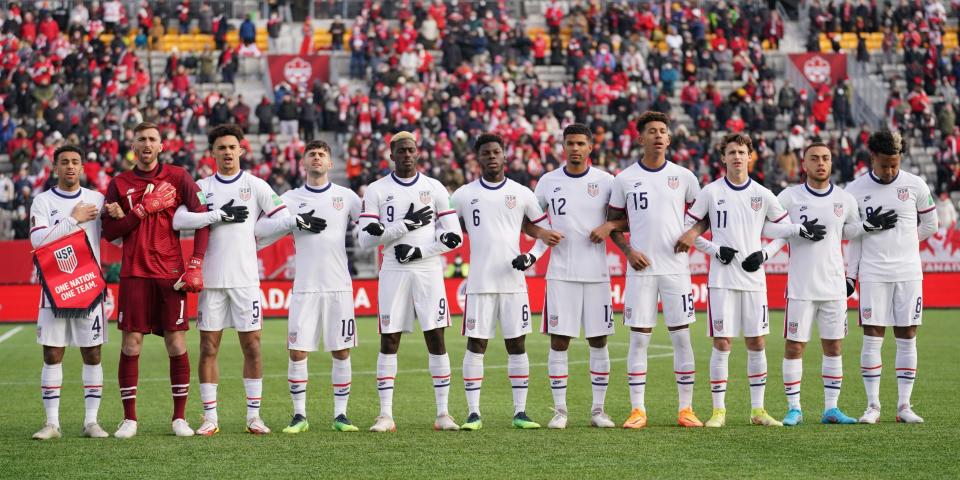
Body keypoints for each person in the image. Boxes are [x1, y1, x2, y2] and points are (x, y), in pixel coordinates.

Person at [680, 132, 825, 428]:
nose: (736, 157)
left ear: (750, 156)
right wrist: (714, 249)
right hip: (721, 279)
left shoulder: (762, 194)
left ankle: (757, 410)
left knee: (756, 342)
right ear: (723, 157)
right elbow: (687, 229)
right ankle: (719, 411)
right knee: (722, 342)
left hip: (753, 280)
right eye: (731, 152)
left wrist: (764, 254)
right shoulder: (710, 192)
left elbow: (786, 231)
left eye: (741, 152)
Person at [767, 142, 896, 426]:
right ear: (804, 164)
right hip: (801, 287)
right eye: (814, 158)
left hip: (834, 286)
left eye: (825, 158)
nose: (820, 163)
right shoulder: (789, 196)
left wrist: (867, 226)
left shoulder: (844, 199)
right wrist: (795, 230)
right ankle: (794, 408)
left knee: (834, 347)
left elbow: (850, 232)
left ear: (831, 163)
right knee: (794, 347)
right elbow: (768, 226)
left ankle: (831, 408)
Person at [170, 124, 282, 436]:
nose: (228, 152)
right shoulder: (202, 187)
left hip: (246, 281)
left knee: (253, 347)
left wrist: (258, 239)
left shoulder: (256, 185)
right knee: (208, 347)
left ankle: (254, 416)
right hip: (212, 281)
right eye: (222, 148)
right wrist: (215, 215)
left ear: (241, 150)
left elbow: (281, 219)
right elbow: (180, 219)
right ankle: (210, 418)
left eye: (232, 147)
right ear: (213, 153)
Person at [102, 122, 210, 439]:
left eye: (152, 139)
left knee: (176, 345)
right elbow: (109, 233)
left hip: (170, 275)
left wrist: (195, 263)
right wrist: (140, 210)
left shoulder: (179, 177)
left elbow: (203, 219)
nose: (147, 144)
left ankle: (179, 418)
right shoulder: (119, 183)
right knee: (131, 345)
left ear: (162, 145)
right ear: (133, 144)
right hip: (134, 273)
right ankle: (129, 420)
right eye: (141, 139)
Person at [449, 133, 562, 431]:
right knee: (477, 344)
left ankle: (520, 412)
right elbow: (444, 226)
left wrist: (531, 257)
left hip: (513, 283)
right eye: (485, 153)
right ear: (478, 158)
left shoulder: (522, 193)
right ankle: (473, 413)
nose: (491, 157)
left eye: (495, 152)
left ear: (504, 156)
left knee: (517, 344)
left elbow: (545, 232)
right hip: (479, 283)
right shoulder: (463, 195)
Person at [357, 131, 464, 432]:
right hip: (393, 269)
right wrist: (403, 225)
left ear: (418, 153)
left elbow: (453, 236)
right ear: (391, 155)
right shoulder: (377, 190)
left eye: (411, 150)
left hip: (428, 269)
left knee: (436, 337)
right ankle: (385, 415)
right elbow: (365, 239)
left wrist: (419, 250)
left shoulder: (435, 187)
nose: (406, 154)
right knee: (389, 338)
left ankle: (443, 414)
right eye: (401, 150)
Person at [254, 139, 363, 433]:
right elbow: (261, 229)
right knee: (298, 351)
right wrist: (295, 222)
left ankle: (341, 415)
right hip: (305, 286)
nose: (317, 158)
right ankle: (299, 416)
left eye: (322, 155)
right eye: (311, 155)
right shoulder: (289, 198)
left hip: (339, 285)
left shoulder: (347, 196)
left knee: (341, 351)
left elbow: (369, 225)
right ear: (302, 163)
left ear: (331, 163)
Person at [604, 111, 704, 429]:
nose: (658, 135)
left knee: (682, 339)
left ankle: (686, 409)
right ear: (640, 138)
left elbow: (703, 216)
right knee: (640, 340)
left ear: (669, 138)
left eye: (663, 131)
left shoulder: (685, 177)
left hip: (676, 269)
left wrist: (692, 233)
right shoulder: (625, 179)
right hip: (641, 270)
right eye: (652, 131)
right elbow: (614, 223)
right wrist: (628, 250)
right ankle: (638, 410)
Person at [845, 130, 939, 424]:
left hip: (909, 273)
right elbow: (847, 233)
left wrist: (905, 243)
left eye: (894, 164)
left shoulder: (915, 185)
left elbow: (931, 225)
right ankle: (872, 407)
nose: (889, 170)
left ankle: (904, 406)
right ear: (872, 157)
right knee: (873, 337)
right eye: (884, 164)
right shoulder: (854, 190)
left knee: (907, 336)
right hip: (873, 273)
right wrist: (867, 228)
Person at [534, 124, 618, 429]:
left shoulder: (607, 181)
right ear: (563, 146)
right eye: (570, 143)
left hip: (596, 274)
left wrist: (609, 227)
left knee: (599, 340)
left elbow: (624, 216)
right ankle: (560, 411)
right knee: (560, 341)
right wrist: (542, 232)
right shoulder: (548, 181)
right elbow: (530, 218)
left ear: (590, 147)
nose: (575, 148)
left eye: (581, 143)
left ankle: (598, 410)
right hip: (561, 274)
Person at [30, 145, 108, 440]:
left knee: (93, 353)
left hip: (88, 288)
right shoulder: (42, 201)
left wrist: (115, 213)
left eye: (75, 162)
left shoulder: (96, 199)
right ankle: (52, 424)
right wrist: (73, 219)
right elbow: (38, 240)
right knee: (52, 353)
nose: (70, 167)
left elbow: (112, 233)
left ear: (83, 167)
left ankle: (91, 422)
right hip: (54, 288)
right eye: (65, 162)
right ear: (55, 167)